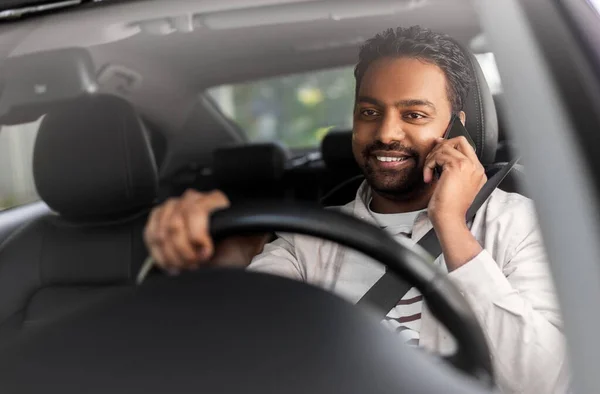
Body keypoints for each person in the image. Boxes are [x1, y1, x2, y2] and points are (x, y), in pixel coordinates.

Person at [144, 26, 569, 393]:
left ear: (455, 126)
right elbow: (251, 354)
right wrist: (225, 264)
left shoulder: (520, 223)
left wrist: (452, 228)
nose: (386, 132)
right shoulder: (311, 238)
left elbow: (544, 383)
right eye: (369, 112)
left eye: (414, 114)